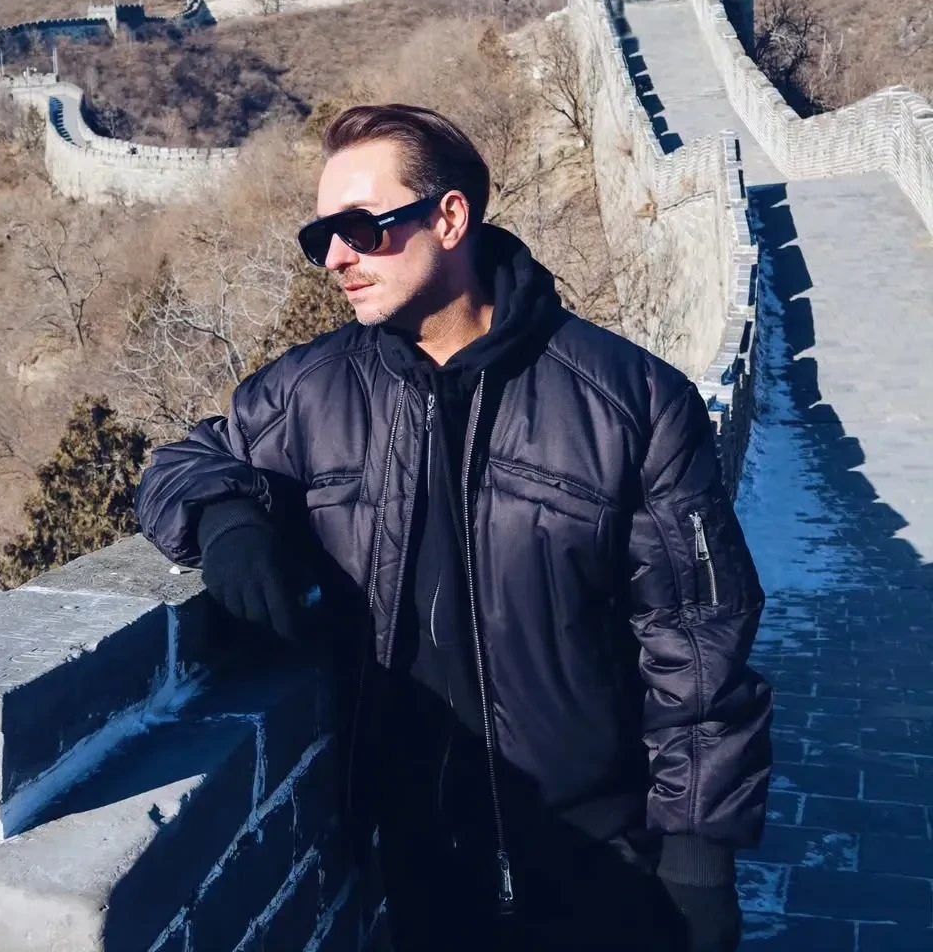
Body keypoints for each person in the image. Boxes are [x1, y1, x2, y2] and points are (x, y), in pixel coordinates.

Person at [137, 104, 772, 952]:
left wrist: (698, 860)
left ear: (449, 217)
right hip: (415, 868)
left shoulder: (629, 402)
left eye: (361, 229)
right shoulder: (312, 395)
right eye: (321, 237)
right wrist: (225, 521)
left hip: (601, 864)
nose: (336, 258)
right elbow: (182, 463)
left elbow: (697, 643)